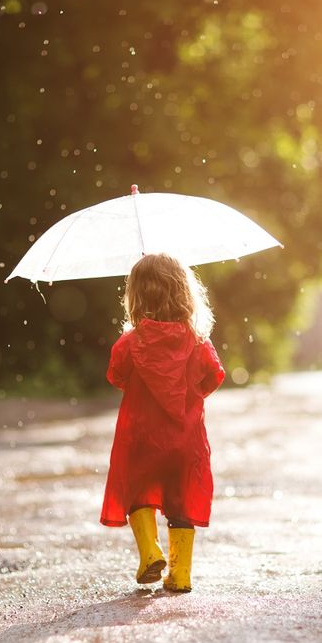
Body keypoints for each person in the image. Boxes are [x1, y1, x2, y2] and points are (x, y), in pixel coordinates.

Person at [100, 253, 225, 592]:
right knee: (181, 502)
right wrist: (185, 395)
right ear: (185, 293)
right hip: (186, 440)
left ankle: (150, 553)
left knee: (137, 491)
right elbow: (213, 377)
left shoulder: (129, 343)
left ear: (135, 297)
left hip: (141, 438)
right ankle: (180, 573)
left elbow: (116, 375)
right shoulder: (198, 342)